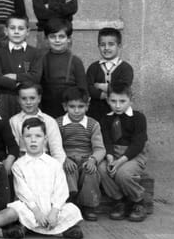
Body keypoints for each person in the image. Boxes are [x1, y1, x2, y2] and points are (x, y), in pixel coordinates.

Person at [7, 118, 84, 239]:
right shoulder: (18, 165)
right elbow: (22, 192)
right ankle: (55, 229)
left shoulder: (54, 164)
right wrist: (36, 212)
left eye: (38, 136)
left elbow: (61, 190)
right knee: (16, 208)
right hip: (31, 210)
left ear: (45, 139)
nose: (33, 140)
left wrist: (54, 211)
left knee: (72, 210)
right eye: (28, 136)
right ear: (22, 139)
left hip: (52, 209)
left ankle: (35, 227)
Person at [98, 84, 149, 222]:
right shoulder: (106, 119)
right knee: (102, 169)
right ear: (107, 100)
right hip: (113, 154)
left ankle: (138, 200)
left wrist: (120, 162)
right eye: (113, 101)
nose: (118, 106)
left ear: (131, 100)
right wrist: (110, 158)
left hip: (133, 155)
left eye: (122, 101)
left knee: (123, 174)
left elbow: (138, 144)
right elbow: (106, 140)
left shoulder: (138, 118)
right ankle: (119, 201)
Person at [57, 87, 104, 222]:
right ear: (65, 107)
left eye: (81, 106)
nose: (76, 111)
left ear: (87, 106)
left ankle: (89, 206)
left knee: (91, 173)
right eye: (72, 107)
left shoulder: (93, 124)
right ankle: (70, 202)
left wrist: (93, 160)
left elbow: (99, 148)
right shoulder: (58, 123)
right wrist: (64, 159)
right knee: (67, 171)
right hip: (67, 158)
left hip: (86, 159)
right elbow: (55, 146)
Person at [0, 15, 43, 119]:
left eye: (21, 28)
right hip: (5, 99)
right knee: (5, 125)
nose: (16, 32)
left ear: (27, 32)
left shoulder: (35, 53)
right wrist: (17, 83)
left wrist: (15, 76)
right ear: (6, 31)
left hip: (27, 99)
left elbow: (36, 77)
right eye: (12, 28)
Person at [39, 18, 86, 118]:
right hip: (46, 111)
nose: (57, 40)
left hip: (71, 113)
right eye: (52, 37)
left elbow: (83, 90)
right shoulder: (41, 60)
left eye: (61, 36)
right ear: (46, 39)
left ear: (68, 39)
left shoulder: (76, 61)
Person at [9, 83, 66, 165]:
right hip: (22, 162)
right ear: (18, 99)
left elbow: (57, 150)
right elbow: (13, 149)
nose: (28, 102)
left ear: (39, 98)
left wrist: (58, 168)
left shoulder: (49, 121)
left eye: (32, 98)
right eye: (24, 98)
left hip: (46, 162)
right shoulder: (14, 121)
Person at [86, 27, 134, 121]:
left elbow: (123, 87)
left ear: (119, 46)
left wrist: (100, 86)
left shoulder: (126, 68)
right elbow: (88, 87)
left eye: (111, 44)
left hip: (119, 108)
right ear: (98, 46)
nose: (106, 48)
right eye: (102, 45)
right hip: (95, 110)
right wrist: (104, 94)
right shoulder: (93, 67)